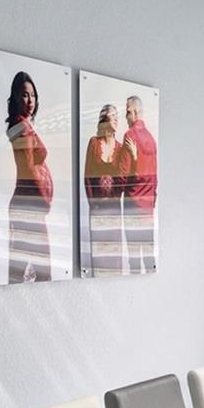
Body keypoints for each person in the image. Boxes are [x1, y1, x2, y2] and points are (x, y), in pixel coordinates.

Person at [5, 72, 53, 283]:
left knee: (22, 271)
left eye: (33, 95)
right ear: (16, 97)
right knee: (40, 272)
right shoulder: (21, 127)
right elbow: (28, 169)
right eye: (25, 95)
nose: (30, 100)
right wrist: (44, 200)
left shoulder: (23, 125)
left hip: (28, 203)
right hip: (29, 204)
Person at [117, 94, 157, 274]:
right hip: (148, 207)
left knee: (133, 260)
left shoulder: (130, 136)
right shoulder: (152, 140)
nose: (126, 117)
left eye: (127, 112)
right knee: (149, 258)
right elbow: (154, 178)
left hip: (133, 206)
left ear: (134, 112)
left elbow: (123, 176)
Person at [83, 104, 122, 274]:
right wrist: (93, 203)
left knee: (113, 253)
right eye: (113, 116)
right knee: (99, 252)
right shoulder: (94, 143)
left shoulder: (121, 148)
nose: (117, 119)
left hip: (114, 209)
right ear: (104, 119)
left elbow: (123, 179)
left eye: (117, 117)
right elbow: (87, 175)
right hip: (97, 208)